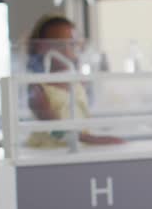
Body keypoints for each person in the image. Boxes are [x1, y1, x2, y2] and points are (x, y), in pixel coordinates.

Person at [26, 13, 123, 147]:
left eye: (73, 45)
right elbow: (55, 130)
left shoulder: (77, 83)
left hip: (77, 148)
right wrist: (92, 140)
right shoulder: (38, 89)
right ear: (41, 48)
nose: (67, 51)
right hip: (50, 152)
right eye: (59, 45)